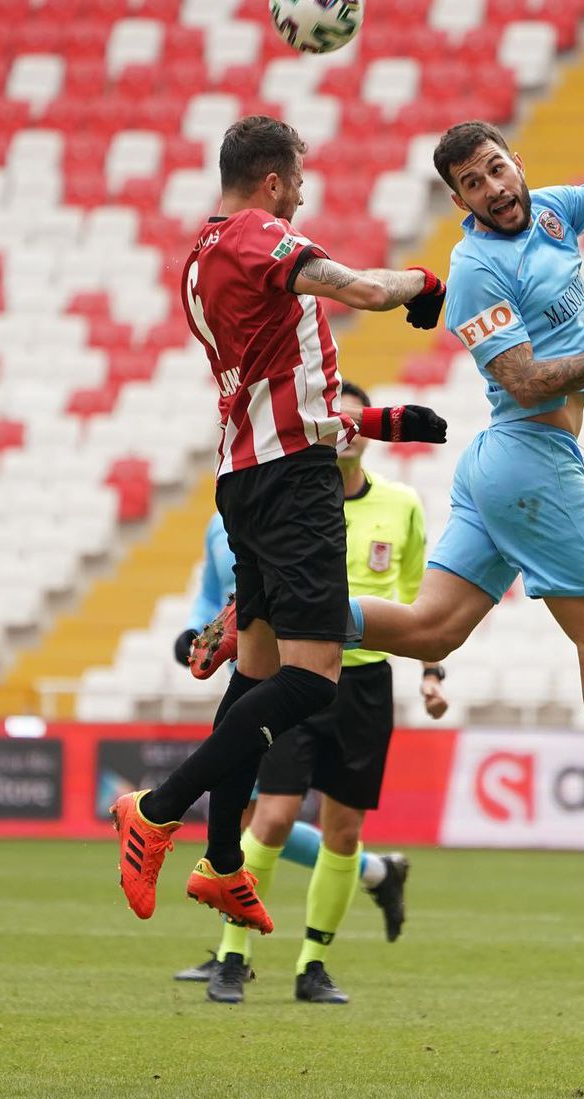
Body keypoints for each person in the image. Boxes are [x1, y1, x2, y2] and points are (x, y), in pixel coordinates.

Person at [344, 64, 584, 866]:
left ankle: (287, 604)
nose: (491, 187)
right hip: (529, 462)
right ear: (459, 203)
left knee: (428, 630)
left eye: (495, 168)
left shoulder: (554, 211)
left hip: (504, 463)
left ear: (514, 161)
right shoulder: (479, 270)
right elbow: (521, 378)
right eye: (471, 183)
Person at [110, 115, 448, 933]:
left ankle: (224, 862)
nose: (301, 192)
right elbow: (364, 290)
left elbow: (279, 385)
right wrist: (421, 283)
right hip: (293, 483)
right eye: (296, 178)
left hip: (244, 474)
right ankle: (157, 810)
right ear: (270, 180)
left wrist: (384, 422)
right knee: (313, 674)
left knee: (256, 675)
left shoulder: (197, 259)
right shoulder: (263, 235)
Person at [176, 380, 449, 1004]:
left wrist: (433, 673)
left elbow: (415, 599)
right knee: (269, 818)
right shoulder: (298, 501)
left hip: (365, 682)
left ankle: (313, 965)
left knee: (343, 832)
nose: (347, 433)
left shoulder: (402, 505)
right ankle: (232, 955)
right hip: (297, 677)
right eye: (337, 422)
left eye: (357, 422)